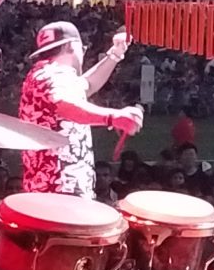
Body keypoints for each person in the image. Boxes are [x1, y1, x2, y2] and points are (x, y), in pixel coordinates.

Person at [15, 20, 141, 198]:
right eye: (83, 48)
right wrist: (113, 117)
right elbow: (65, 105)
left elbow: (87, 85)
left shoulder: (45, 73)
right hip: (60, 190)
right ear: (70, 46)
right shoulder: (55, 75)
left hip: (48, 190)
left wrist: (115, 54)